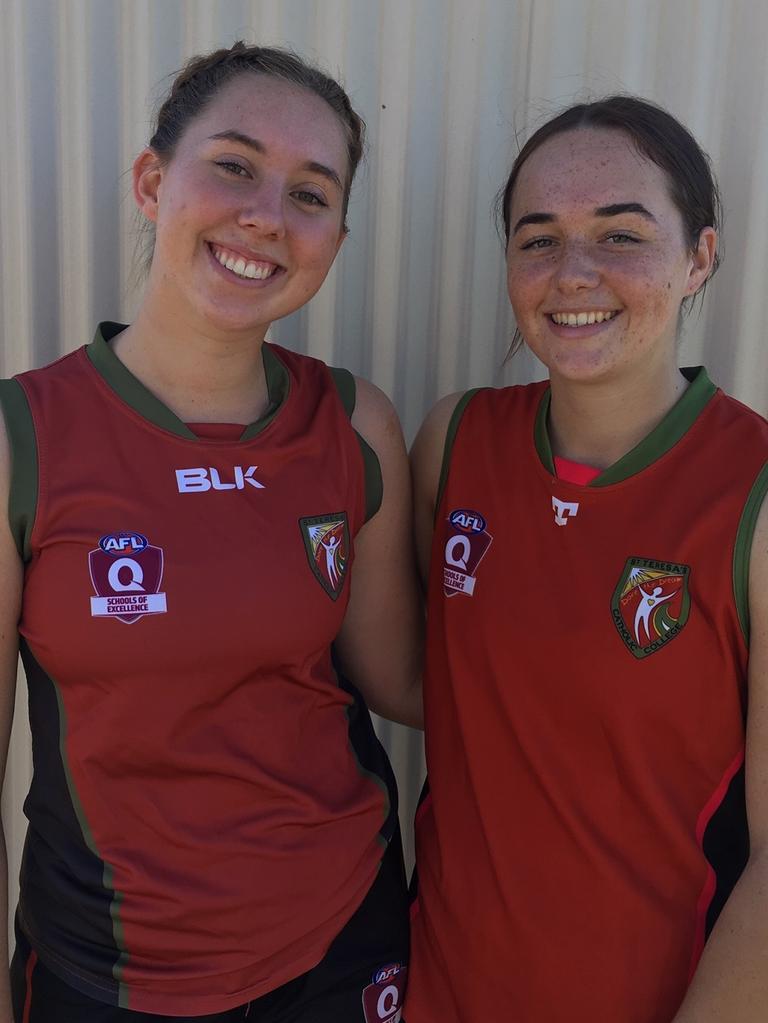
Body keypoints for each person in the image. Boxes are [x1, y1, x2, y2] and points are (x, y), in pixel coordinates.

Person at [0, 42, 421, 1022]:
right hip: (106, 973)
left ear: (337, 238)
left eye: (311, 193)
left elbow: (405, 681)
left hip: (342, 948)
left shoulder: (356, 425)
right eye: (233, 166)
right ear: (154, 183)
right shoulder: (25, 437)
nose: (267, 215)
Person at [405, 95, 768, 1022]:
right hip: (438, 989)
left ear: (700, 259)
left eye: (620, 235)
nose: (573, 273)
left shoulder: (752, 492)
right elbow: (435, 678)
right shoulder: (456, 442)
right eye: (538, 240)